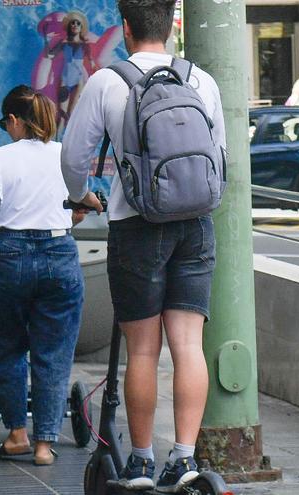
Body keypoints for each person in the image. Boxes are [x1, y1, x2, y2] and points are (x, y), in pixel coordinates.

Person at [60, 0, 225, 491]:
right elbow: (222, 156)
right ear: (172, 24)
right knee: (189, 345)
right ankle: (186, 458)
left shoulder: (108, 82)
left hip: (137, 227)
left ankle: (141, 462)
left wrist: (80, 197)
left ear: (126, 28)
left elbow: (73, 158)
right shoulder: (202, 81)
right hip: (195, 224)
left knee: (144, 352)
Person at [0, 85, 93, 466]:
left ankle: (17, 434)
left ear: (14, 121)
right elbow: (77, 206)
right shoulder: (65, 157)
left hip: (10, 256)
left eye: (6, 124)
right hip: (59, 254)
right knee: (53, 352)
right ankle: (44, 445)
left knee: (5, 346)